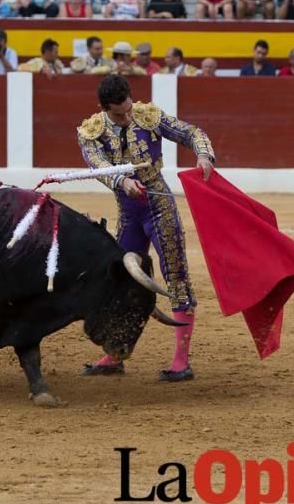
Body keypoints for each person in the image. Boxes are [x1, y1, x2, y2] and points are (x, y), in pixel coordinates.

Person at [77, 74, 214, 381]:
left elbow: (191, 133)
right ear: (104, 109)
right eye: (118, 113)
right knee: (122, 282)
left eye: (127, 108)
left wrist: (203, 154)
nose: (126, 116)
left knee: (175, 275)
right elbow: (98, 165)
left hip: (158, 206)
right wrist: (122, 181)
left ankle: (181, 362)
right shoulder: (91, 131)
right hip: (128, 211)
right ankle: (115, 354)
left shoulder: (147, 115)